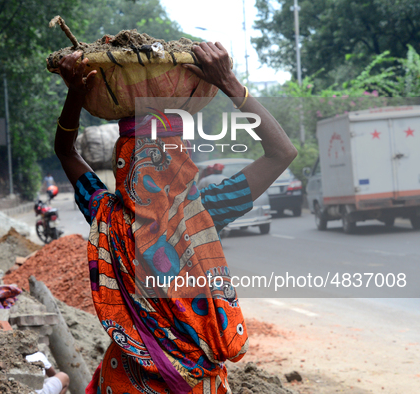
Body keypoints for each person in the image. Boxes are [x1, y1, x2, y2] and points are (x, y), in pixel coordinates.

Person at [55, 42, 297, 394]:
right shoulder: (204, 210)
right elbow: (282, 153)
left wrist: (76, 96)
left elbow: (65, 150)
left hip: (125, 380)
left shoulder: (107, 214)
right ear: (183, 161)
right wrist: (231, 85)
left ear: (122, 164)